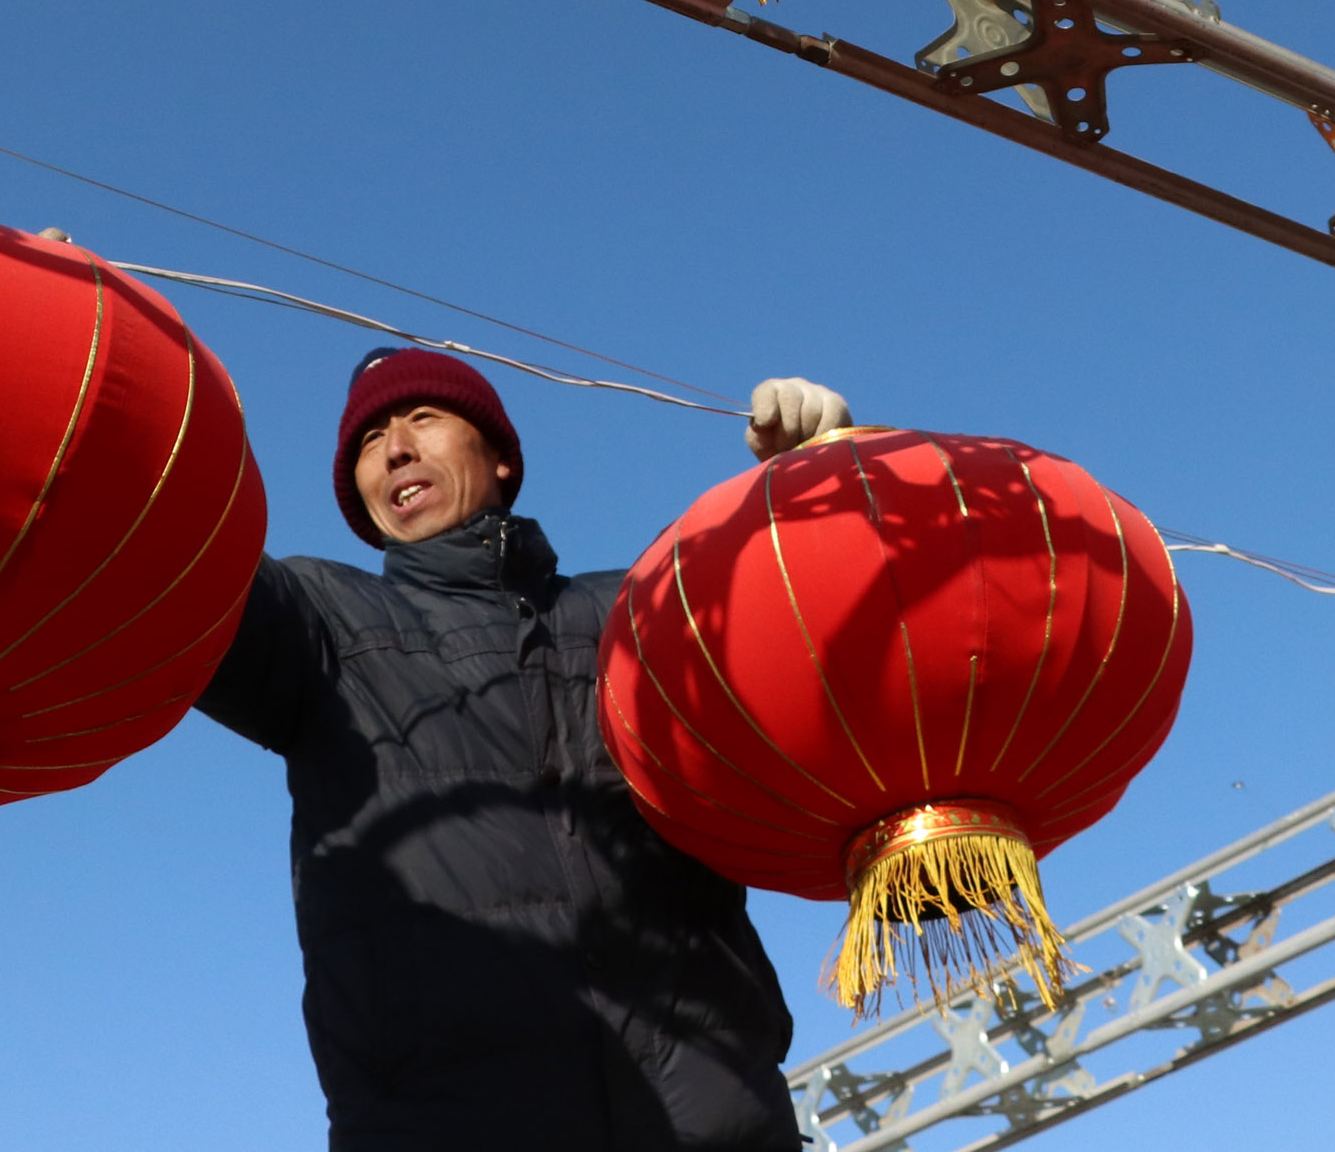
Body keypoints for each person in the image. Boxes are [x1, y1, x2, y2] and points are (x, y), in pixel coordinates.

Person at [196, 345, 855, 1151]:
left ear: (502, 456)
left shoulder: (638, 610)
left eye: (422, 417)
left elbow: (818, 616)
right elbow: (167, 557)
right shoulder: (320, 622)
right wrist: (44, 348)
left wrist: (807, 486)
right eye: (369, 442)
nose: (394, 447)